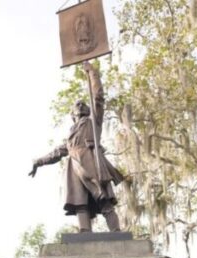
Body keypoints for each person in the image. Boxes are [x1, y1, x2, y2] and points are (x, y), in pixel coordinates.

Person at [29, 60, 125, 233]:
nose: (80, 105)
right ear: (72, 114)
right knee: (80, 203)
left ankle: (116, 232)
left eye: (83, 104)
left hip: (91, 162)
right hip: (74, 166)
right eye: (76, 105)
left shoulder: (93, 122)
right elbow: (57, 153)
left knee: (103, 200)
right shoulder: (70, 137)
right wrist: (38, 161)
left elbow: (98, 97)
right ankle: (84, 232)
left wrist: (92, 73)